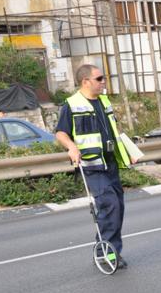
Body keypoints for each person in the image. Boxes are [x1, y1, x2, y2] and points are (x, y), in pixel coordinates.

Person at [55, 63, 134, 269]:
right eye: (99, 79)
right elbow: (61, 132)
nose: (103, 82)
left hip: (110, 163)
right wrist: (71, 147)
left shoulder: (104, 101)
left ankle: (112, 250)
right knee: (109, 205)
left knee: (118, 207)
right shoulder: (71, 105)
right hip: (91, 166)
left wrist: (129, 151)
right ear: (85, 81)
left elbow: (114, 130)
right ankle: (105, 253)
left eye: (103, 78)